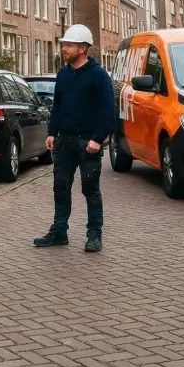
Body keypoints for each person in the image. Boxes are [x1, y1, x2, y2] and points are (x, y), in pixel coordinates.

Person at [33, 24, 115, 254]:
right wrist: (52, 132)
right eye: (64, 45)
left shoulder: (98, 75)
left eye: (68, 45)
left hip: (87, 142)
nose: (64, 49)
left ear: (82, 48)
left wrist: (98, 139)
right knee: (60, 187)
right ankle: (59, 231)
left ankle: (94, 234)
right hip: (64, 141)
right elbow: (57, 106)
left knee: (90, 189)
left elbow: (107, 109)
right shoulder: (63, 73)